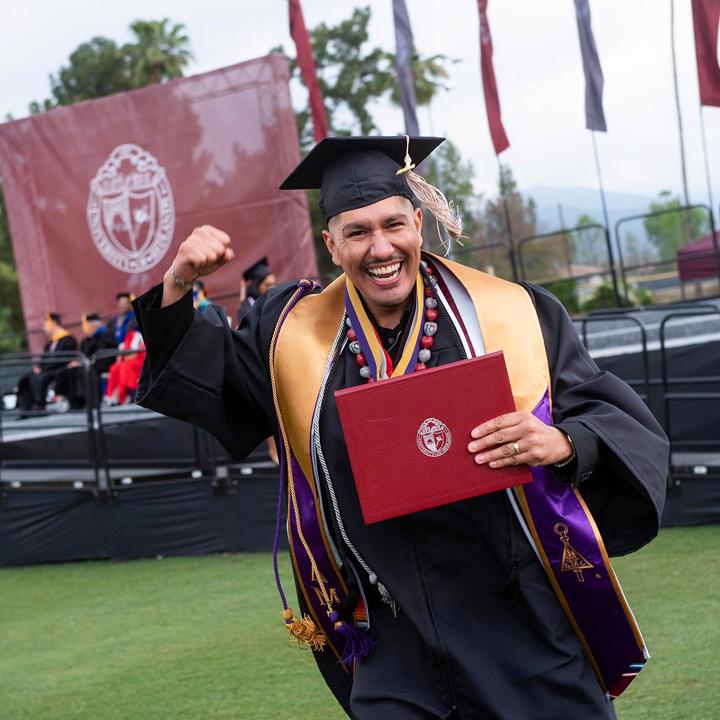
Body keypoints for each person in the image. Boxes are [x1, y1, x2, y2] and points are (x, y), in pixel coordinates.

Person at [132, 137, 668, 720]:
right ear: (331, 244)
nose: (380, 247)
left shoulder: (511, 314)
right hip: (395, 641)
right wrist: (179, 283)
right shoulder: (291, 337)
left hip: (522, 627)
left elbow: (602, 412)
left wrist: (564, 443)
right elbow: (216, 382)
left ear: (418, 222)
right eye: (357, 232)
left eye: (393, 225)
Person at [17, 313, 78, 412]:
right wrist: (39, 367)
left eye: (46, 324)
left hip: (60, 369)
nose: (44, 327)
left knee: (38, 378)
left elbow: (64, 359)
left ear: (53, 323)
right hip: (47, 370)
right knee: (25, 379)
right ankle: (25, 408)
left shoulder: (69, 339)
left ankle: (39, 406)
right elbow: (44, 358)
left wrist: (43, 369)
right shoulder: (50, 343)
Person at [103, 326, 146, 405]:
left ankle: (129, 394)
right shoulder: (125, 341)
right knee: (114, 368)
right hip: (129, 361)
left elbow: (138, 353)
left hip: (139, 361)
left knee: (125, 367)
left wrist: (128, 357)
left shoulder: (138, 337)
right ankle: (115, 397)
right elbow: (124, 355)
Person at [236, 257, 276, 326]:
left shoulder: (275, 302)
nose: (272, 288)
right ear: (256, 286)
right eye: (267, 285)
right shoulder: (246, 309)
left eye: (273, 284)